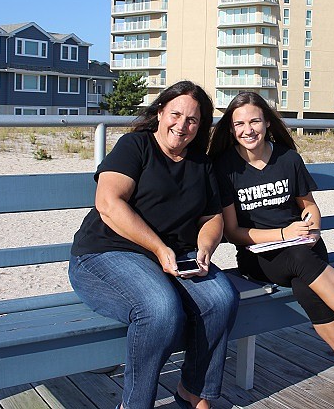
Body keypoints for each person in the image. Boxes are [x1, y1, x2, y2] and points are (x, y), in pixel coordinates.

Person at [208, 92, 334, 409]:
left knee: (307, 287)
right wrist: (282, 233)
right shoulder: (225, 169)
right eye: (239, 123)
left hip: (303, 247)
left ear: (266, 122)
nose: (247, 129)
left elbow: (309, 207)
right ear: (231, 128)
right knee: (299, 260)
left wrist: (311, 228)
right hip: (260, 257)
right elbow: (235, 233)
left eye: (254, 121)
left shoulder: (287, 158)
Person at [69, 81, 239, 409]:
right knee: (159, 309)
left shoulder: (201, 165)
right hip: (107, 254)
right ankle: (136, 404)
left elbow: (212, 218)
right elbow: (108, 202)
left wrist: (204, 248)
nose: (182, 125)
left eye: (193, 120)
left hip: (176, 257)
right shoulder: (136, 146)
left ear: (201, 125)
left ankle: (192, 392)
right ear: (160, 112)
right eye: (175, 114)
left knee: (222, 298)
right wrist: (160, 249)